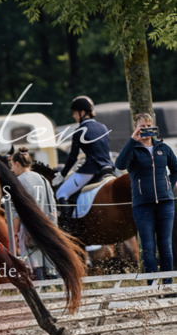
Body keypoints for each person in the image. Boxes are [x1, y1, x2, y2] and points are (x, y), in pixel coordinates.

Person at [115, 112, 177, 283]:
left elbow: (175, 168)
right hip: (143, 206)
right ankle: (151, 288)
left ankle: (168, 288)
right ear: (136, 128)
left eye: (149, 125)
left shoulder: (163, 148)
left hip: (165, 204)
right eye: (142, 126)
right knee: (149, 248)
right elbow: (119, 165)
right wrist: (131, 141)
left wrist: (168, 186)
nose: (147, 129)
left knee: (165, 247)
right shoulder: (133, 151)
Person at [9, 148, 58, 281]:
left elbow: (15, 211)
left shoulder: (18, 182)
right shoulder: (43, 179)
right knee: (51, 263)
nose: (12, 170)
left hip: (30, 229)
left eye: (12, 165)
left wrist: (14, 233)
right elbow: (53, 206)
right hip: (48, 227)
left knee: (34, 264)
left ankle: (39, 289)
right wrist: (54, 227)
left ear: (18, 164)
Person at [55, 96, 113, 203]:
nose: (73, 116)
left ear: (82, 112)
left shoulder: (79, 131)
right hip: (109, 167)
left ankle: (67, 220)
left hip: (91, 170)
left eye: (74, 113)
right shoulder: (103, 127)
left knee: (60, 194)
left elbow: (72, 158)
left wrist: (62, 174)